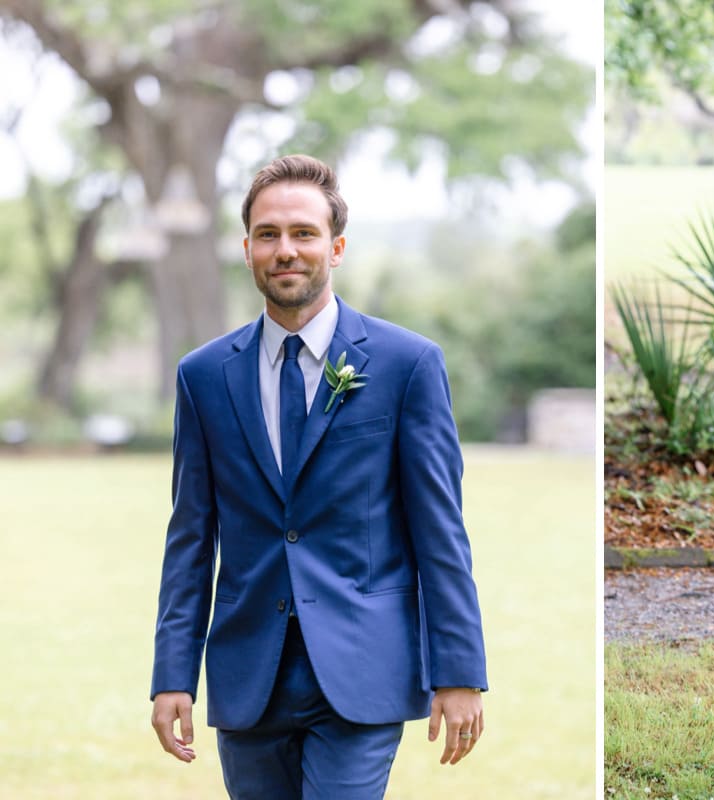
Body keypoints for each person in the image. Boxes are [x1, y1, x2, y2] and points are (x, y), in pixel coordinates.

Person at [149, 154, 487, 799]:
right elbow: (190, 540)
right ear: (246, 248)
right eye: (269, 235)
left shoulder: (405, 365)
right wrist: (172, 675)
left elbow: (440, 531)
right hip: (249, 674)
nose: (286, 250)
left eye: (303, 233)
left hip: (365, 667)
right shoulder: (203, 376)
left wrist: (459, 670)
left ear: (335, 247)